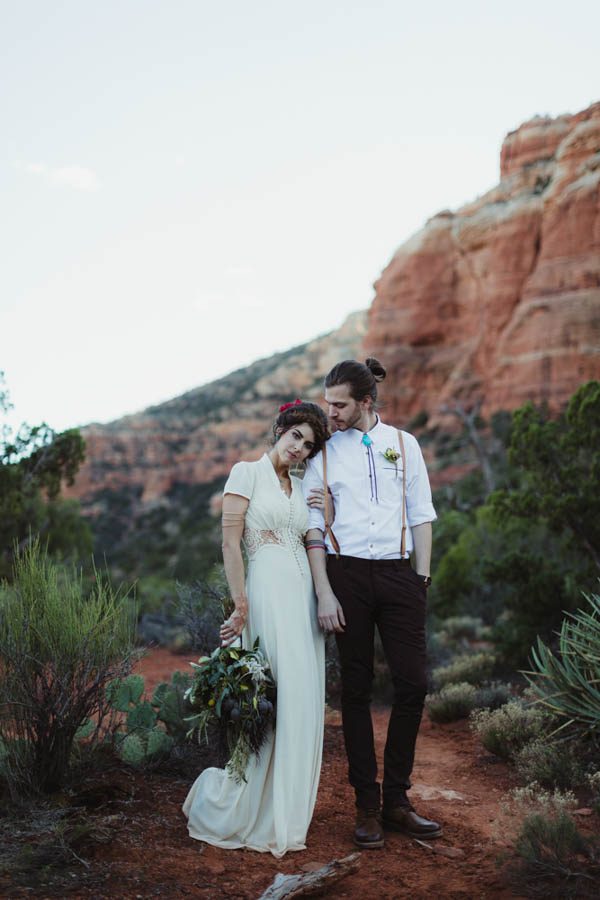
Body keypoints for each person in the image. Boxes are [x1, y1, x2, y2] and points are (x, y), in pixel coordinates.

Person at [302, 358, 442, 849]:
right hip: (347, 575)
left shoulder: (405, 445)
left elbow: (422, 514)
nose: (331, 413)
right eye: (327, 403)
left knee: (413, 684)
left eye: (339, 404)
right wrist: (325, 590)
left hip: (400, 576)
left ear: (366, 402)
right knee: (356, 690)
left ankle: (397, 801)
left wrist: (420, 579)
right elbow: (313, 526)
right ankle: (367, 804)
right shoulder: (322, 454)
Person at [182, 400, 331, 857]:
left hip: (303, 597)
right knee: (272, 695)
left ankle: (285, 813)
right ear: (280, 430)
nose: (300, 449)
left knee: (302, 699)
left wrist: (328, 512)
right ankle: (247, 807)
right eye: (295, 437)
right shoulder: (245, 473)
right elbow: (230, 543)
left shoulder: (305, 484)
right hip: (266, 594)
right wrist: (240, 603)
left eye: (308, 444)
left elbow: (313, 539)